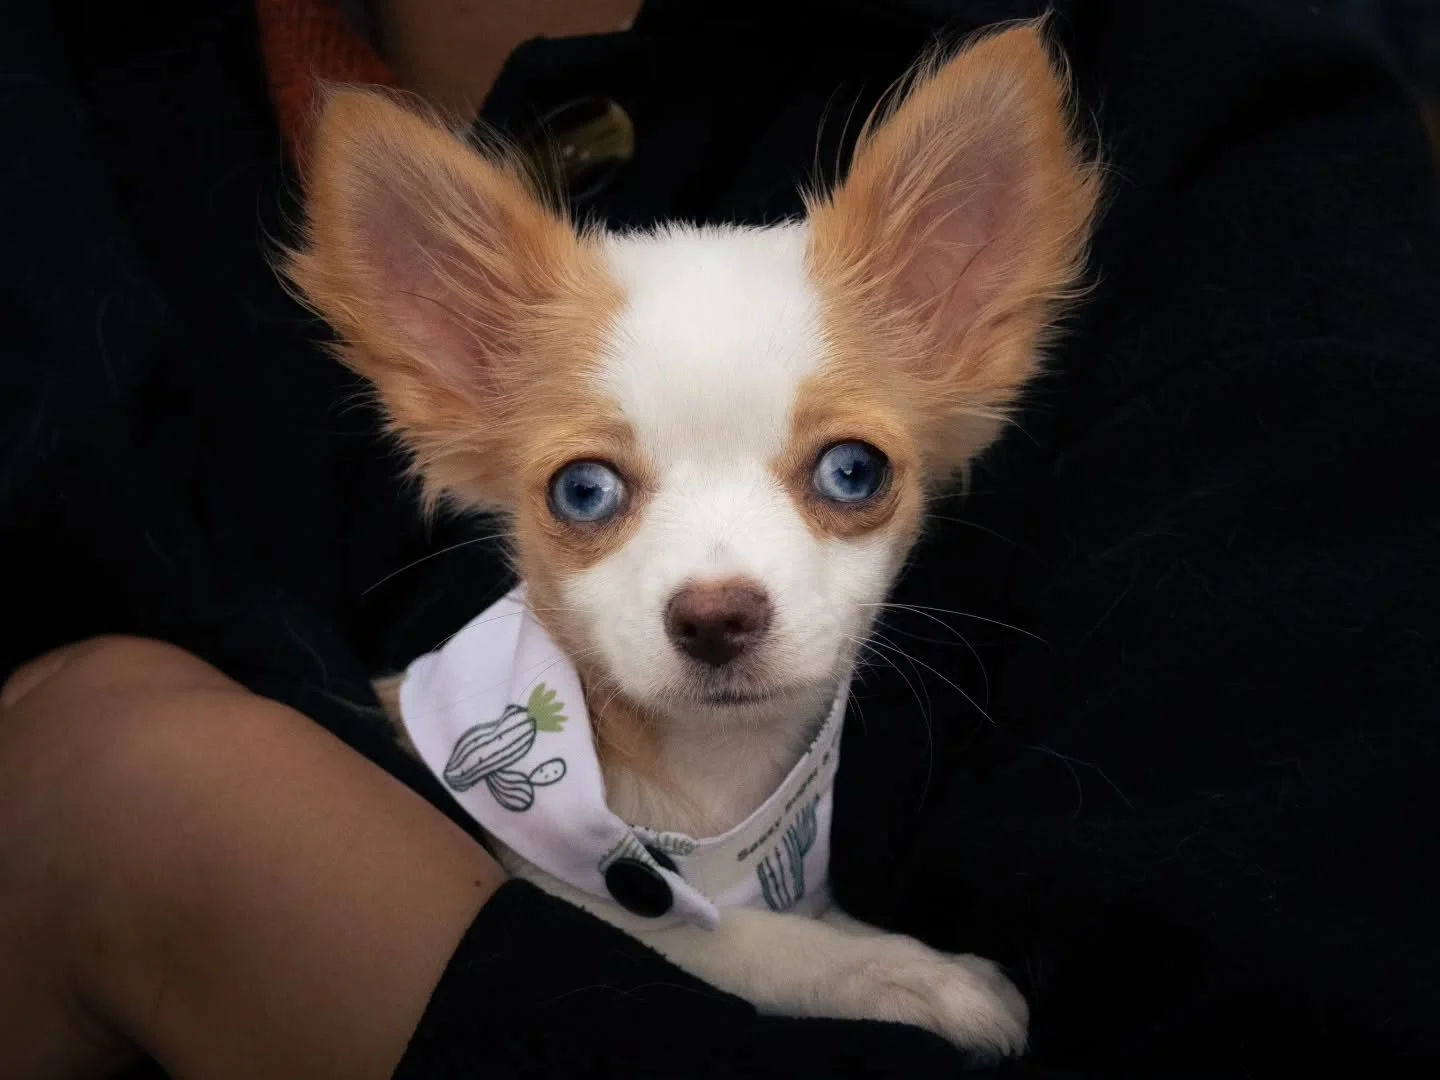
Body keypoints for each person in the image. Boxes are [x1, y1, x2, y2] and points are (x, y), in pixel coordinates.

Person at [2, 0, 1438, 1076]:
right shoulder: (79, 121)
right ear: (446, 386)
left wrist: (159, 829)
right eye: (591, 492)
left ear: (973, 333)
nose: (718, 590)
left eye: (847, 474)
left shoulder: (1243, 152)